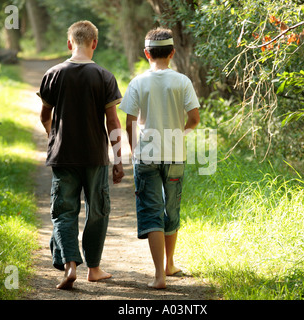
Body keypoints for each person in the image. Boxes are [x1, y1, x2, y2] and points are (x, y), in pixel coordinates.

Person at [38, 20, 124, 290]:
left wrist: (56, 138)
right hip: (95, 156)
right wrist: (118, 158)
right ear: (94, 44)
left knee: (63, 211)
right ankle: (94, 268)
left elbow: (45, 116)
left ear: (69, 43)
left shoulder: (53, 73)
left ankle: (70, 265)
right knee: (97, 210)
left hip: (63, 156)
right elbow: (113, 123)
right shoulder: (104, 76)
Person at [120, 28, 200, 289]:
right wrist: (180, 132)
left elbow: (129, 122)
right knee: (171, 209)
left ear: (146, 54)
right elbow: (195, 118)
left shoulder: (137, 82)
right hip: (175, 154)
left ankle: (159, 276)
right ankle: (170, 263)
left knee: (151, 211)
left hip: (146, 155)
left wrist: (134, 150)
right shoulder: (182, 81)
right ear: (172, 53)